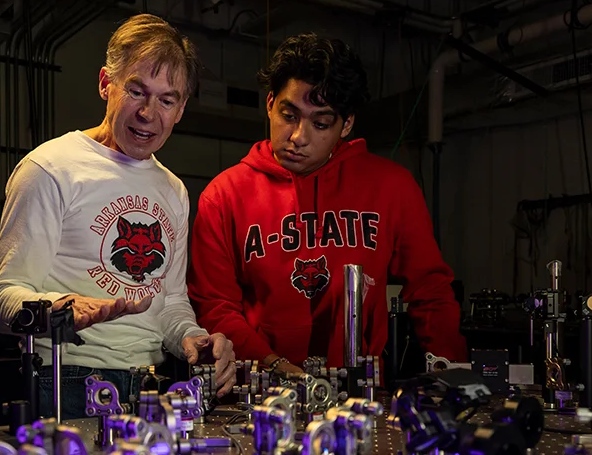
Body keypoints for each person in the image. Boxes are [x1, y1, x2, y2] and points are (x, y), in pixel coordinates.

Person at [0, 14, 236, 419]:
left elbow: (170, 302)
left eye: (167, 100)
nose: (148, 113)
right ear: (106, 83)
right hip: (67, 381)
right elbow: (3, 300)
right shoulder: (51, 167)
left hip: (155, 386)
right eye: (137, 91)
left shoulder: (172, 189)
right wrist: (60, 307)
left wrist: (196, 338)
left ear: (181, 108)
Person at [187, 33, 467, 378]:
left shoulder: (392, 188)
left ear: (345, 124)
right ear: (270, 103)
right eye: (289, 115)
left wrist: (455, 373)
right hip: (260, 387)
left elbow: (430, 291)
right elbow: (215, 305)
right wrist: (273, 364)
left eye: (320, 123)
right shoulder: (224, 195)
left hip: (358, 387)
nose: (298, 137)